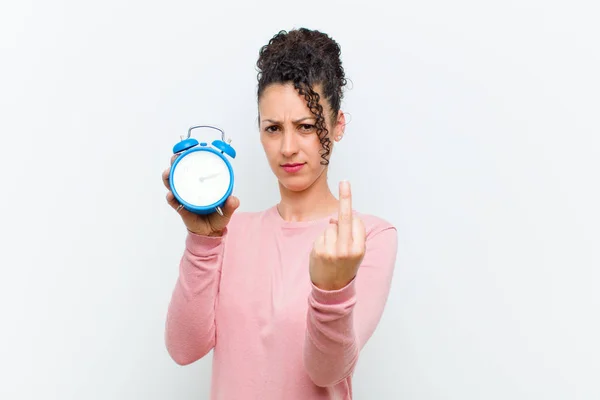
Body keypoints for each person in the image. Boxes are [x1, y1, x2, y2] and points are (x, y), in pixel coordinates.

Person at [162, 27, 398, 399]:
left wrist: (331, 288)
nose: (288, 147)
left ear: (337, 126)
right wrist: (201, 243)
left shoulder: (363, 238)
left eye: (306, 127)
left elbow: (327, 371)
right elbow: (183, 349)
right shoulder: (230, 232)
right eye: (273, 128)